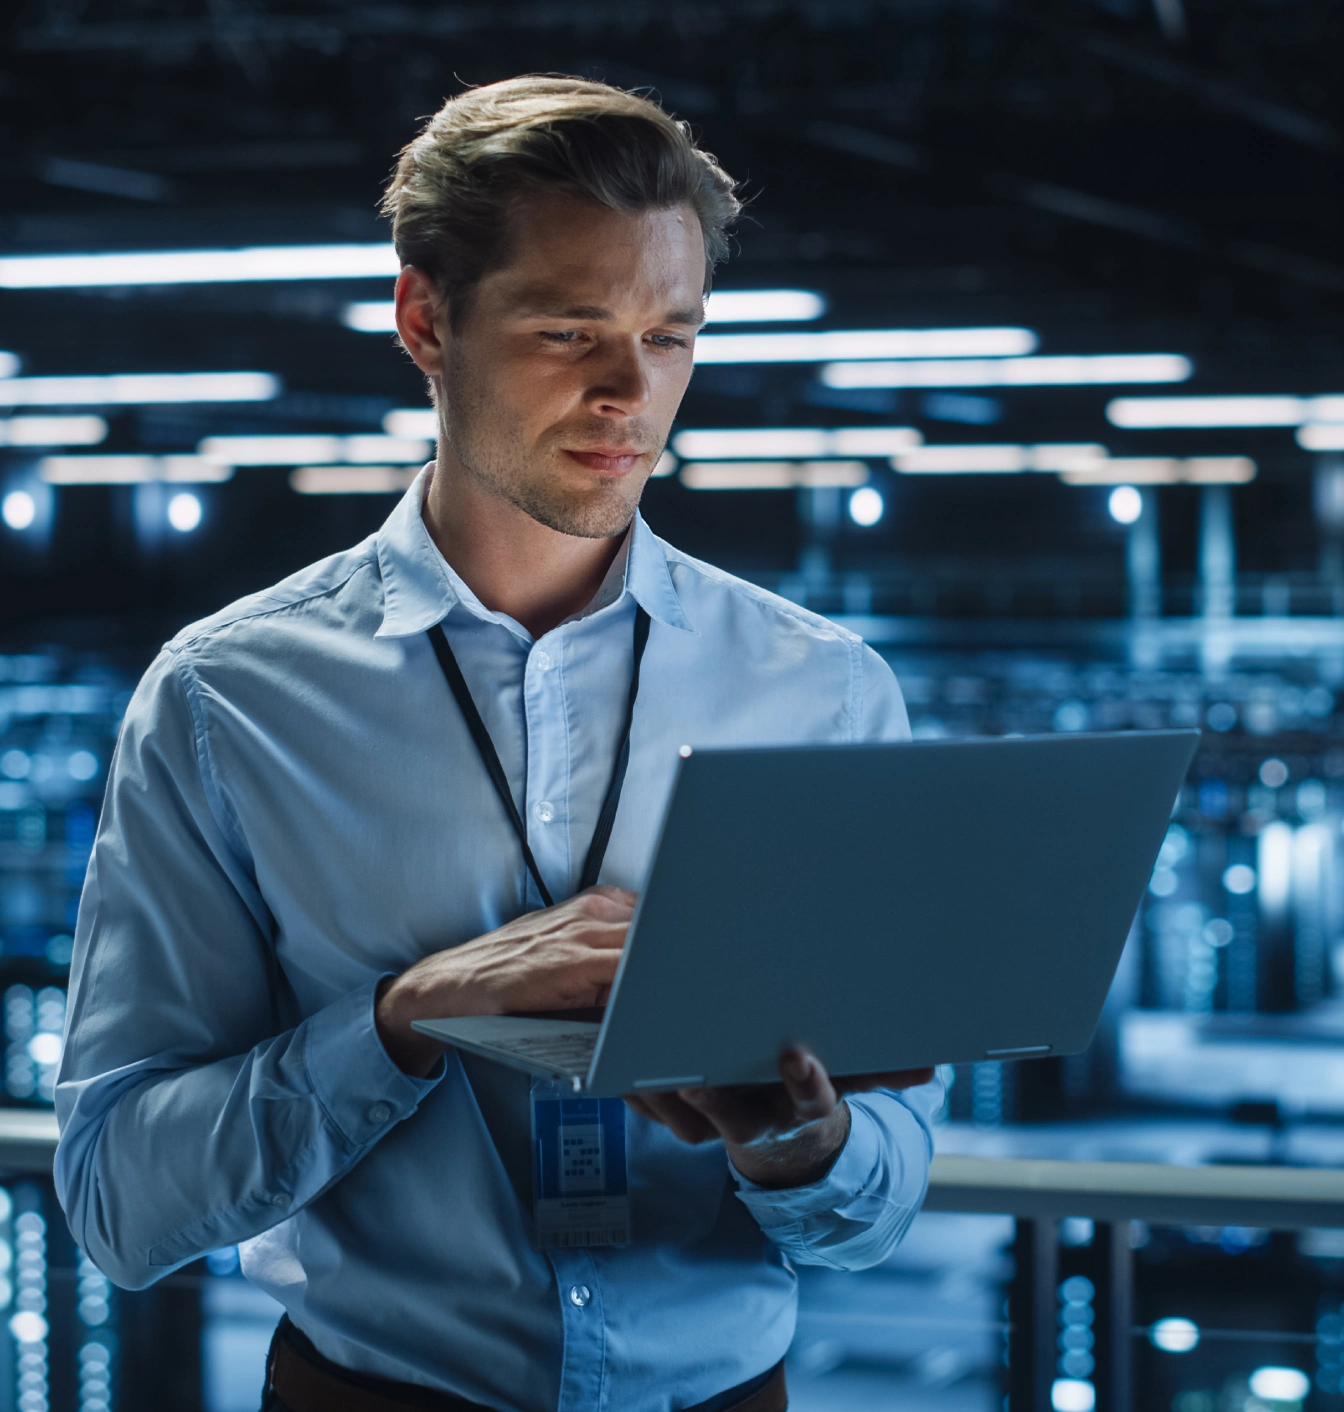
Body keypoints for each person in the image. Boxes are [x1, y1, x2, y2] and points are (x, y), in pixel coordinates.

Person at [55, 76, 941, 1412]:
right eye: (569, 329)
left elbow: (881, 1203)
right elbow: (120, 1201)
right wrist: (403, 1025)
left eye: (671, 336)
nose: (628, 393)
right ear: (427, 320)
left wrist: (809, 1153)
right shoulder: (229, 702)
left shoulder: (821, 693)